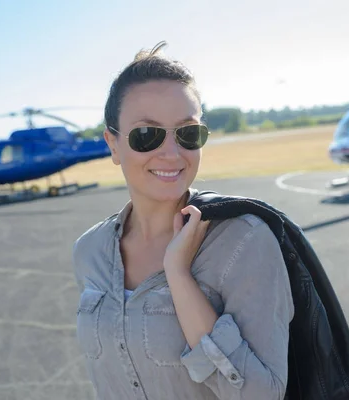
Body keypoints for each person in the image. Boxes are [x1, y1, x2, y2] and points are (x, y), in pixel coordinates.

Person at [72, 41, 294, 400]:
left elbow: (261, 395)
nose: (172, 153)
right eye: (147, 135)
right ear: (113, 145)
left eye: (188, 133)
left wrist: (179, 275)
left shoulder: (244, 241)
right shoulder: (90, 251)